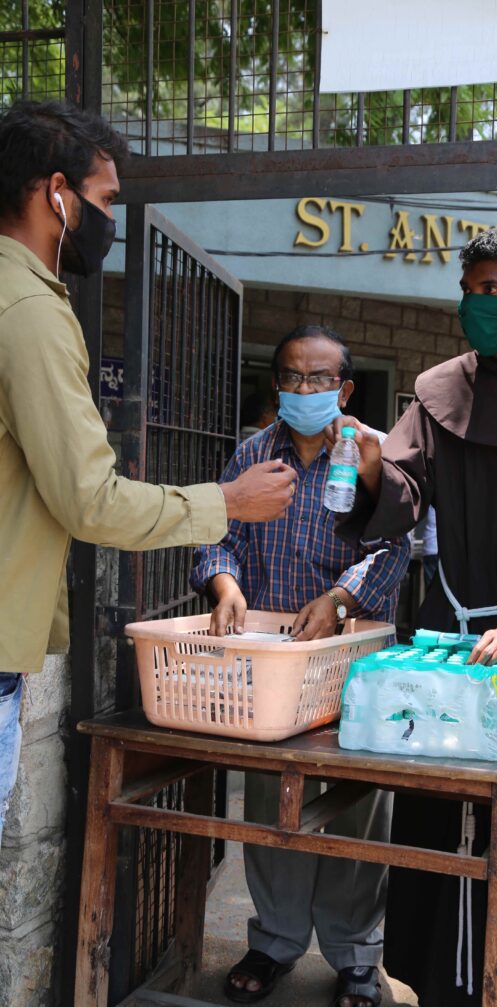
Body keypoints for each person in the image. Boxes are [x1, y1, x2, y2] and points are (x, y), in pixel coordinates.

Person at [0, 100, 297, 845]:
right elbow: (90, 499)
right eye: (105, 200)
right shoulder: (28, 310)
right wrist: (228, 502)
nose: (110, 221)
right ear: (56, 193)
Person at [330, 228, 497, 1007]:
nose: (472, 305)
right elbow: (404, 490)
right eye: (467, 289)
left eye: (490, 292)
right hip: (450, 641)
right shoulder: (438, 389)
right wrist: (373, 469)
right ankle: (435, 995)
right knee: (437, 817)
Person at [190, 324, 410, 1007]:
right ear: (277, 383)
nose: (304, 388)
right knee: (270, 801)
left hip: (350, 654)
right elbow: (219, 533)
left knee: (355, 805)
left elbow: (394, 547)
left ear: (344, 390)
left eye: (319, 379)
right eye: (291, 376)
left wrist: (340, 599)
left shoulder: (372, 453)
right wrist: (225, 585)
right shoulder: (253, 453)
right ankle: (275, 942)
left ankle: (355, 954)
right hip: (270, 659)